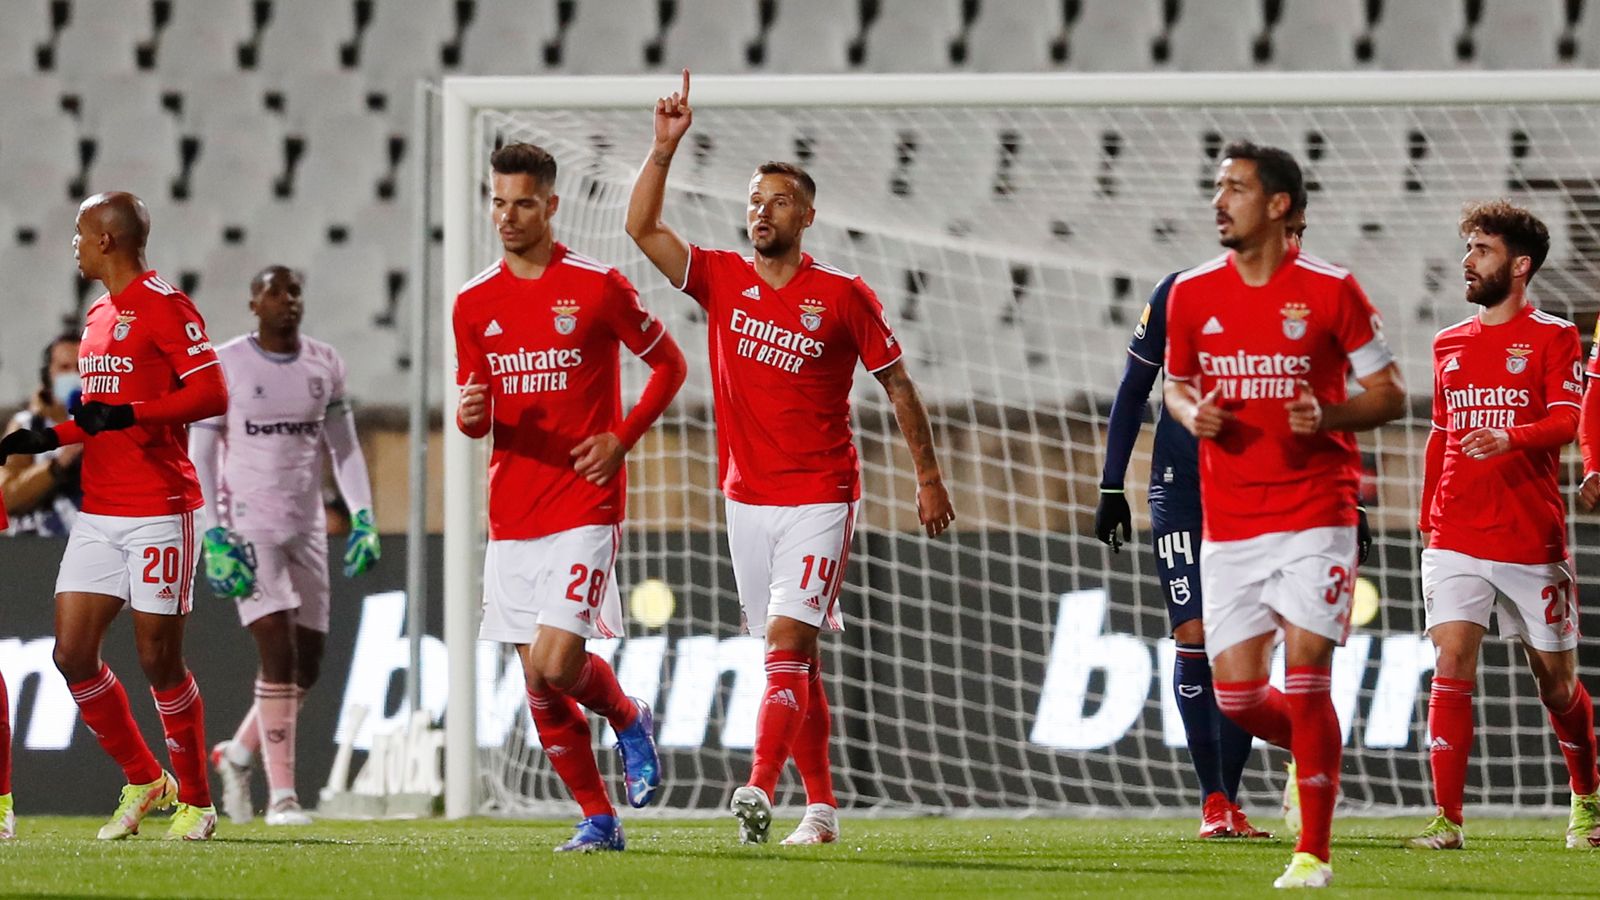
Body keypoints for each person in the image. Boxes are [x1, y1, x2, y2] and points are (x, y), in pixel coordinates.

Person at [627, 70, 956, 846]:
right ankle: (823, 809)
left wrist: (930, 478)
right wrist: (664, 149)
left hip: (821, 495)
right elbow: (643, 228)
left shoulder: (842, 294)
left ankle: (756, 788)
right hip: (745, 498)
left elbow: (898, 385)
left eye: (777, 200)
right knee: (794, 661)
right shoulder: (720, 277)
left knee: (788, 643)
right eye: (753, 200)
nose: (761, 211)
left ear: (806, 215)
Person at [1162, 142, 1404, 888]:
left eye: (1234, 187)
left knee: (1305, 676)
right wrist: (1189, 411)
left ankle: (1314, 854)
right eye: (1215, 186)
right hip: (1228, 522)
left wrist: (1329, 412)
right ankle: (1312, 749)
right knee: (1236, 695)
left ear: (1277, 205)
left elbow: (1390, 393)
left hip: (1315, 512)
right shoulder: (1191, 293)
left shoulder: (1332, 291)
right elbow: (1172, 383)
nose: (1217, 199)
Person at [454, 142, 686, 852]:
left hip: (584, 503)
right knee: (538, 681)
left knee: (557, 663)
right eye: (498, 201)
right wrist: (471, 418)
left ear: (551, 205)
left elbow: (670, 365)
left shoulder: (597, 286)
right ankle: (599, 818)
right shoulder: (472, 303)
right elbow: (477, 405)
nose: (508, 215)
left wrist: (621, 436)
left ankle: (627, 714)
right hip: (512, 510)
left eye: (523, 202)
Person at [1094, 208, 1330, 841]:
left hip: (1264, 497)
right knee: (1193, 635)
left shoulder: (1310, 306)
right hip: (1183, 491)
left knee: (1242, 658)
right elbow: (1133, 389)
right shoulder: (1181, 291)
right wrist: (1112, 484)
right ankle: (1215, 801)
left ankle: (1255, 781)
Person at [0, 192, 228, 840]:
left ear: (106, 239)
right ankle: (143, 776)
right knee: (71, 654)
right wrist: (46, 439)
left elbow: (211, 392)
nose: (72, 244)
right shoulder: (99, 316)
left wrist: (132, 416)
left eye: (78, 234)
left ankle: (199, 803)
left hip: (160, 507)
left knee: (160, 661)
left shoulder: (166, 306)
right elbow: (102, 414)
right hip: (99, 510)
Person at [1409, 201, 1599, 851]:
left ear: (1519, 266)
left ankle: (1587, 801)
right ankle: (1448, 819)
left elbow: (1566, 422)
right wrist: (1427, 509)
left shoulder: (1555, 337)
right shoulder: (1447, 343)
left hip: (1530, 536)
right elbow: (1440, 434)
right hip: (1456, 532)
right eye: (1466, 248)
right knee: (1452, 662)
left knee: (1558, 684)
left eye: (1481, 250)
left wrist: (1510, 436)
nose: (1467, 261)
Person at [192, 265, 381, 827]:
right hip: (248, 527)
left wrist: (365, 517)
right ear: (253, 303)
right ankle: (283, 799)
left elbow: (344, 450)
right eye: (273, 292)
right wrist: (213, 534)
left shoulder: (324, 364)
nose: (286, 300)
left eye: (294, 290)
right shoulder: (224, 365)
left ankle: (239, 753)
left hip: (308, 527)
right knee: (276, 651)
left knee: (308, 666)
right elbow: (201, 454)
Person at [1, 333, 84, 536]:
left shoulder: (111, 425)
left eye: (81, 368)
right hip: (38, 548)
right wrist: (55, 467)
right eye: (64, 368)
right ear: (48, 374)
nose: (74, 375)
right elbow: (6, 497)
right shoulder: (27, 425)